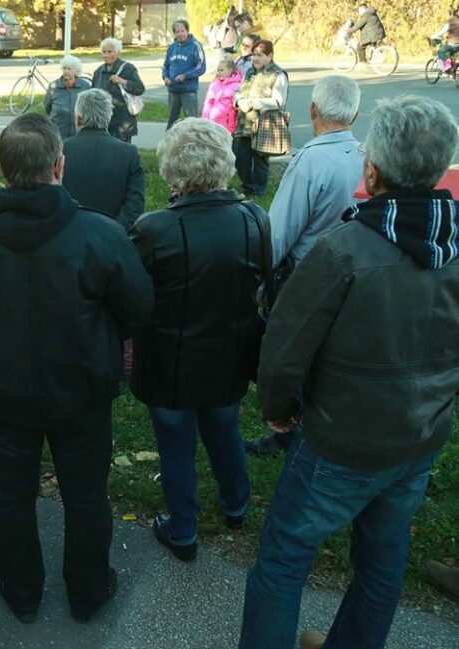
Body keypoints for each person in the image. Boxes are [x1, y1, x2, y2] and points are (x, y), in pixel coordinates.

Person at [238, 94, 459, 649]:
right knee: (383, 563)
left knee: (284, 561)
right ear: (439, 170)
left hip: (339, 442)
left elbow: (284, 348)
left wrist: (278, 411)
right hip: (419, 436)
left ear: (372, 170)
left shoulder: (344, 249)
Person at [0, 113, 153, 624]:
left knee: (12, 495)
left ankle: (22, 591)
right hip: (80, 390)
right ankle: (88, 593)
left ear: (3, 167)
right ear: (59, 165)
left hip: (2, 390)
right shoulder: (100, 234)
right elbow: (137, 309)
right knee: (85, 494)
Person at [129, 118, 266, 562]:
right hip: (228, 354)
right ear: (224, 163)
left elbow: (134, 296)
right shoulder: (253, 218)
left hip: (170, 361)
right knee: (223, 428)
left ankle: (184, 529)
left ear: (172, 170)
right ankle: (235, 504)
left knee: (176, 446)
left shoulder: (153, 228)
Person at [245, 75, 362, 458]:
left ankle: (290, 433)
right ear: (356, 113)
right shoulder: (363, 156)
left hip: (306, 275)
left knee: (295, 352)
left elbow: (277, 234)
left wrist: (260, 281)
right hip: (352, 272)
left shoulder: (310, 161)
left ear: (313, 110)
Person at [62, 89, 146, 229]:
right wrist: (113, 232)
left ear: (78, 119)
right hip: (114, 238)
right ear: (109, 117)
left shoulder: (60, 150)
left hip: (69, 233)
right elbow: (135, 206)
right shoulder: (128, 153)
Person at [233, 39, 288, 197]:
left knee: (260, 162)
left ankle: (259, 192)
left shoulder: (278, 74)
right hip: (244, 123)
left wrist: (253, 103)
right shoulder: (250, 72)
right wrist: (239, 101)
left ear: (270, 56)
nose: (255, 59)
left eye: (260, 55)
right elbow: (238, 91)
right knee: (240, 158)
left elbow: (278, 101)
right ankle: (248, 187)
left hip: (265, 124)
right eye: (254, 55)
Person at [91, 37, 145, 143]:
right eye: (104, 52)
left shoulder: (128, 68)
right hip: (103, 122)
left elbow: (140, 88)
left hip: (122, 121)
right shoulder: (99, 71)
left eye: (110, 51)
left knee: (123, 153)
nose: (106, 55)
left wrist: (122, 81)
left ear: (118, 52)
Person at [162, 20, 206, 130]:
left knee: (191, 121)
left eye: (182, 31)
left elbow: (201, 67)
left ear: (187, 31)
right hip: (173, 90)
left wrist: (186, 76)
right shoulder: (171, 48)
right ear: (174, 33)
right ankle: (170, 143)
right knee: (172, 121)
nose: (180, 34)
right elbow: (165, 66)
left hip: (188, 90)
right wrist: (165, 77)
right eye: (177, 32)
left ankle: (193, 143)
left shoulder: (195, 46)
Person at [43, 55, 91, 139]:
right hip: (58, 134)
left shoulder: (85, 86)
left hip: (78, 134)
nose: (66, 71)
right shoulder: (54, 86)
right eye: (64, 68)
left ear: (76, 71)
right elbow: (47, 107)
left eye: (69, 69)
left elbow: (90, 108)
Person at [201, 57, 242, 134]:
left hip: (227, 124)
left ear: (230, 70)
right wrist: (205, 119)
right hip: (213, 121)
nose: (219, 73)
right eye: (218, 70)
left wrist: (232, 127)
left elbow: (235, 109)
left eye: (222, 70)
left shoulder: (237, 86)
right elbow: (209, 102)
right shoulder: (215, 84)